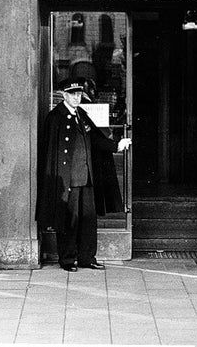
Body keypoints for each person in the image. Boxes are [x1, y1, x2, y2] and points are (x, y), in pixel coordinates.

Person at [36, 81, 131, 272]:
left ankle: (87, 257)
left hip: (86, 177)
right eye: (72, 94)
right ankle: (68, 259)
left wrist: (116, 145)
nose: (76, 98)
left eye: (79, 94)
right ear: (64, 95)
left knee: (88, 219)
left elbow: (95, 139)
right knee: (69, 219)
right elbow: (49, 153)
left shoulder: (81, 115)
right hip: (68, 179)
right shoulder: (55, 118)